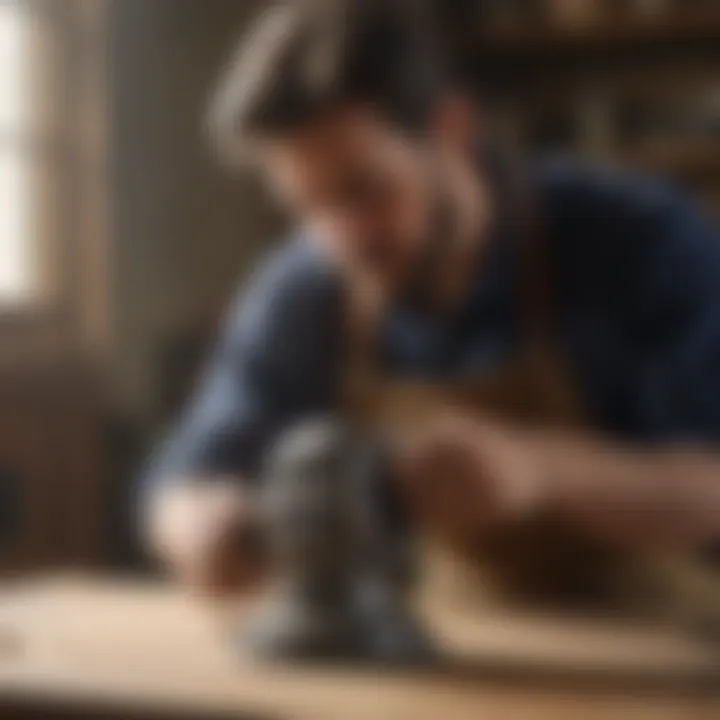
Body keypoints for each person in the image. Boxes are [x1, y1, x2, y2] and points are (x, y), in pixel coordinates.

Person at [143, 0, 720, 599]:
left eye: (364, 189)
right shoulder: (308, 286)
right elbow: (178, 486)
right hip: (449, 661)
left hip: (660, 660)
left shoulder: (640, 243)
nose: (345, 240)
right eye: (308, 208)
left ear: (452, 131)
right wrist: (199, 525)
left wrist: (543, 470)